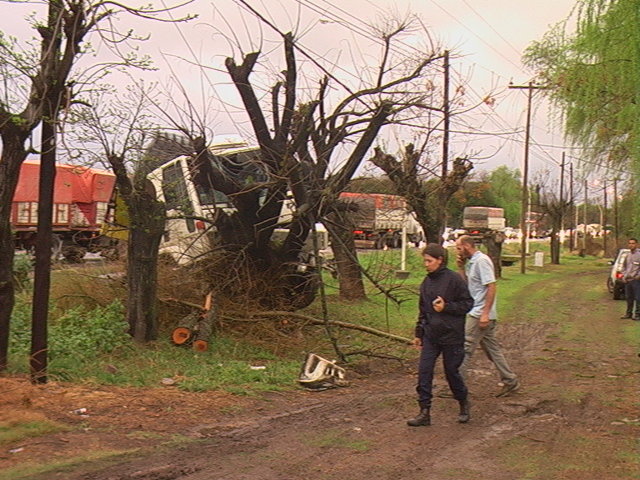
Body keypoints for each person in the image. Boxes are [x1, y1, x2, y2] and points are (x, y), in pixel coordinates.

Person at [407, 243, 474, 427]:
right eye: (424, 261)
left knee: (451, 372)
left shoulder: (454, 280)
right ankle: (424, 412)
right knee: (424, 372)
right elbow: (423, 310)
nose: (426, 264)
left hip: (452, 336)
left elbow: (468, 304)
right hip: (431, 335)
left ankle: (463, 402)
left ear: (440, 260)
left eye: (429, 261)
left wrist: (447, 307)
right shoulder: (426, 282)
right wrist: (418, 333)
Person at [455, 235, 520, 397]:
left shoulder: (482, 261)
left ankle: (457, 386)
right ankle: (510, 380)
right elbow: (466, 287)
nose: (457, 251)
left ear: (467, 246)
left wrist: (485, 313)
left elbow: (491, 286)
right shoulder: (472, 262)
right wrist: (461, 268)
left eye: (458, 248)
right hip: (476, 310)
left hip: (479, 313)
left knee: (465, 348)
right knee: (492, 349)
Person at [621, 238, 640, 321]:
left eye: (633, 243)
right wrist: (624, 276)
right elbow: (624, 267)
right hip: (628, 280)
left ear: (637, 244)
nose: (631, 245)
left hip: (636, 280)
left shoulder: (639, 255)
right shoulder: (627, 255)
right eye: (630, 243)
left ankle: (637, 314)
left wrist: (639, 276)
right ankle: (628, 313)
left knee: (638, 298)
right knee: (629, 297)